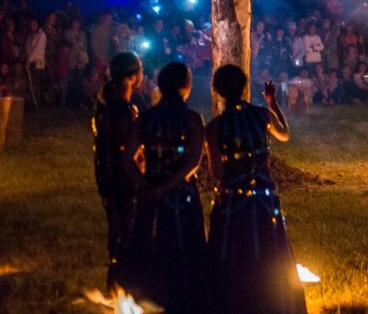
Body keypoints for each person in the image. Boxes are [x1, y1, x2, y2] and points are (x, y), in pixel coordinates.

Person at [205, 65, 307, 314]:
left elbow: (217, 173)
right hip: (264, 200)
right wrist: (272, 103)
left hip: (233, 205)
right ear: (244, 87)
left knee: (234, 254)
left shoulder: (216, 127)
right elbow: (284, 134)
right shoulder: (262, 115)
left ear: (217, 91)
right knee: (269, 253)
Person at [117, 62, 205, 313]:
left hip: (152, 195)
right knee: (184, 249)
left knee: (151, 243)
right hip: (183, 197)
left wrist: (149, 185)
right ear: (185, 86)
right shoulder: (192, 119)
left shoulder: (147, 118)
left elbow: (126, 160)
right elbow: (192, 162)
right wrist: (167, 186)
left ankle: (149, 295)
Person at [92, 52, 143, 289]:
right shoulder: (121, 111)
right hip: (123, 181)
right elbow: (125, 154)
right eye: (140, 70)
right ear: (132, 77)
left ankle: (115, 285)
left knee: (118, 234)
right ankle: (122, 287)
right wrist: (142, 179)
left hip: (108, 179)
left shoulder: (106, 107)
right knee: (127, 235)